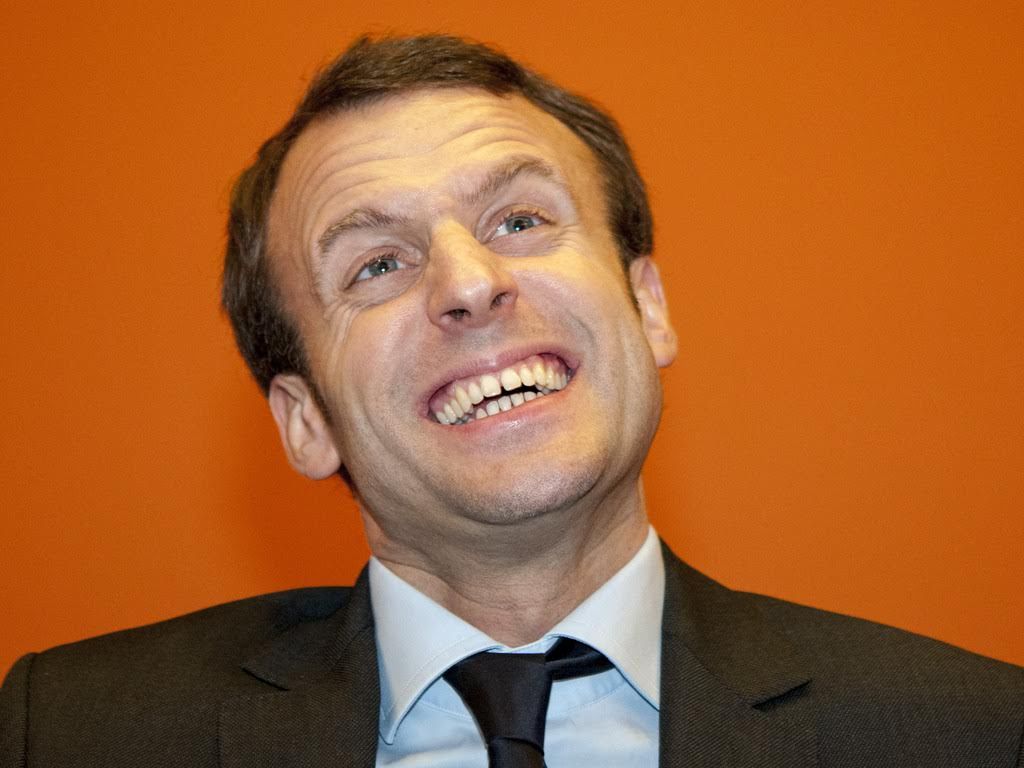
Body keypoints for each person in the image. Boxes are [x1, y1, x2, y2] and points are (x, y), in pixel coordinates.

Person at [1, 34, 1021, 768]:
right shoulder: (71, 736)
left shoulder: (969, 734)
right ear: (305, 420)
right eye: (376, 264)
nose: (469, 283)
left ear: (647, 309)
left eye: (520, 219)